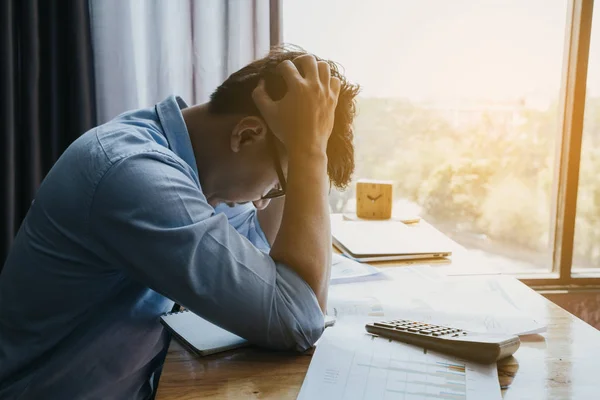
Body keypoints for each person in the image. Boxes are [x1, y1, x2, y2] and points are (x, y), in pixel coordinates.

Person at [0, 45, 360, 399]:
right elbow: (297, 318)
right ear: (246, 135)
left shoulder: (193, 163)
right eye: (282, 184)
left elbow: (256, 249)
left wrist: (305, 149)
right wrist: (306, 153)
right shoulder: (137, 175)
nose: (264, 199)